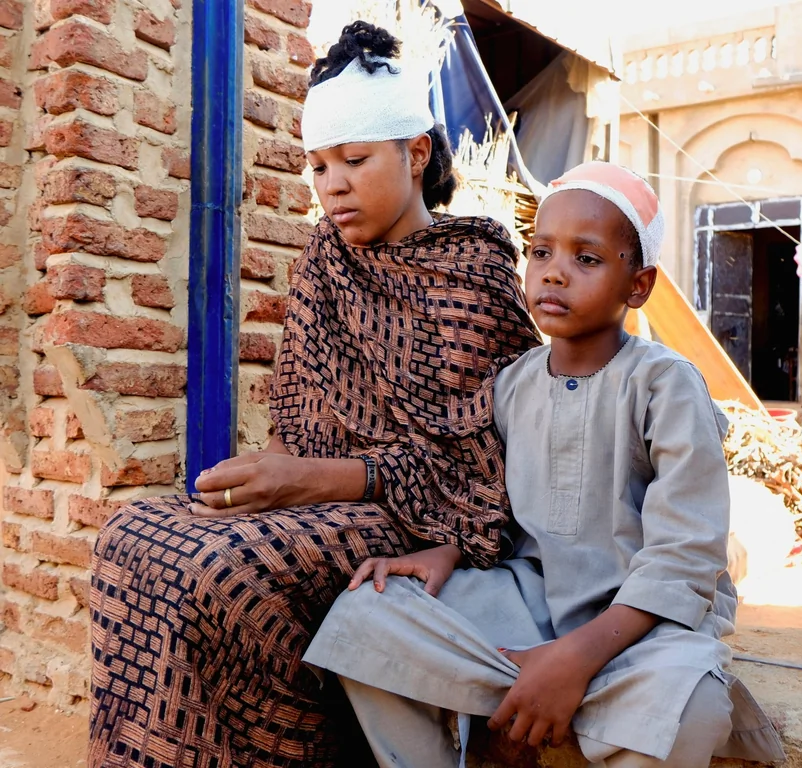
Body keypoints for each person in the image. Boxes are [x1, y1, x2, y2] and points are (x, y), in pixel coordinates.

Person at [89, 21, 540, 768]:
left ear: (416, 150)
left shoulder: (475, 275)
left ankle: (293, 752)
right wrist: (265, 481)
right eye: (319, 165)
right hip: (313, 501)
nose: (332, 183)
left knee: (221, 573)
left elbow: (482, 470)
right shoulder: (322, 261)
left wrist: (306, 480)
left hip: (412, 524)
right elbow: (295, 419)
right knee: (130, 536)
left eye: (355, 160)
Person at [304, 162, 787, 767]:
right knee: (368, 614)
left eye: (587, 259)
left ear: (637, 286)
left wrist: (573, 659)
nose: (555, 272)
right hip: (533, 602)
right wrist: (450, 552)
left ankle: (574, 686)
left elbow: (685, 558)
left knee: (692, 705)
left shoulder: (665, 383)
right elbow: (495, 508)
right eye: (541, 252)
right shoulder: (511, 384)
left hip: (643, 628)